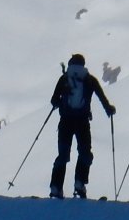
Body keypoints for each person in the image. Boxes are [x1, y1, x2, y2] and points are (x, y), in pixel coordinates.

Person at [49, 53, 115, 198]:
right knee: (85, 152)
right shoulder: (89, 79)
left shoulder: (65, 78)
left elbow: (53, 100)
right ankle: (80, 183)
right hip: (82, 122)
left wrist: (62, 104)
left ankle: (56, 187)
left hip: (65, 121)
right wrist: (108, 108)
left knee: (63, 154)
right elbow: (101, 96)